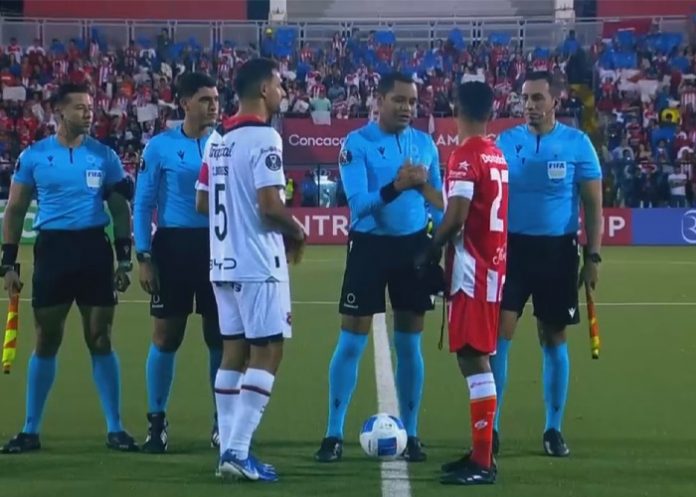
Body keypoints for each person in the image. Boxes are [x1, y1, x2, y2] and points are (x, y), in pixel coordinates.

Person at [0, 82, 137, 453]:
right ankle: (30, 430)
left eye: (91, 106)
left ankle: (116, 428)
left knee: (101, 338)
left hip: (94, 250)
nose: (89, 112)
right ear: (59, 112)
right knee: (46, 339)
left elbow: (120, 209)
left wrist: (124, 258)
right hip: (53, 252)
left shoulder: (105, 156)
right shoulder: (34, 156)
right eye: (80, 107)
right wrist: (8, 263)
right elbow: (14, 210)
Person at [314, 72, 443, 463]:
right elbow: (358, 204)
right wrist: (398, 187)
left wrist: (423, 192)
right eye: (399, 100)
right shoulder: (357, 143)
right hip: (368, 247)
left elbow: (439, 202)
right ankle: (333, 433)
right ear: (379, 100)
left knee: (409, 344)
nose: (407, 108)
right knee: (351, 341)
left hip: (413, 249)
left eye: (413, 102)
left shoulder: (424, 144)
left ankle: (413, 432)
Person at [195, 58, 305, 482]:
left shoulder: (218, 138)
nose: (282, 92)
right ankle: (237, 451)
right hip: (258, 263)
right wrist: (297, 231)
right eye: (278, 85)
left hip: (221, 261)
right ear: (263, 89)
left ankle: (228, 447)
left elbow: (203, 202)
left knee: (233, 353)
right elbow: (270, 206)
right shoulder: (265, 137)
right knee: (269, 351)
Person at [492, 71, 603, 457]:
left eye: (538, 98)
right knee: (498, 337)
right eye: (525, 99)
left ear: (555, 100)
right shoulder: (506, 142)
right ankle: (489, 427)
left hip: (558, 253)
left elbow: (593, 206)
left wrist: (593, 258)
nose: (530, 106)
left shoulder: (577, 144)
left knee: (552, 338)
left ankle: (553, 429)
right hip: (511, 251)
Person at [415, 81, 508, 485]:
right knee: (474, 358)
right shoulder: (495, 153)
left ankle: (483, 462)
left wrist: (430, 249)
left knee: (473, 358)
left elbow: (456, 215)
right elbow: (463, 206)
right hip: (491, 266)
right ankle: (479, 452)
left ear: (456, 109)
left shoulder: (465, 154)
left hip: (473, 271)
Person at [133, 72, 222, 453]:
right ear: (185, 103)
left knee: (220, 339)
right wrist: (144, 256)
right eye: (205, 99)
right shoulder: (159, 147)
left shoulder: (224, 143)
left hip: (219, 248)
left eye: (216, 99)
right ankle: (157, 423)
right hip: (173, 247)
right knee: (166, 337)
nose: (213, 105)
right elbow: (142, 203)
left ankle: (223, 422)